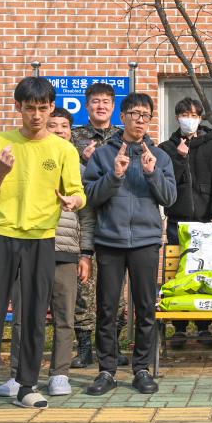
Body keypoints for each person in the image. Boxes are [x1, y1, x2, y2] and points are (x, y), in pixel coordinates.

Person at [0, 77, 85, 413]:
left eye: (42, 108)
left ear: (51, 107)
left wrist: (72, 201)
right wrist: (1, 173)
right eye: (29, 108)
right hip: (3, 236)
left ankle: (27, 386)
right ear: (18, 107)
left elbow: (78, 191)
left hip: (42, 239)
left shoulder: (64, 149)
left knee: (35, 314)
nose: (36, 115)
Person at [0, 108, 96, 398]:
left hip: (64, 251)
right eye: (53, 125)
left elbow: (87, 216)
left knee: (64, 316)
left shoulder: (75, 165)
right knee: (23, 316)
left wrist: (85, 253)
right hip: (28, 247)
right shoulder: (31, 159)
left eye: (65, 126)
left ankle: (59, 373)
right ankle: (18, 374)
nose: (59, 130)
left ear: (71, 131)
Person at [83, 93, 176, 396]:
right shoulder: (102, 154)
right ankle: (107, 370)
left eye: (146, 115)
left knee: (146, 307)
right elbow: (91, 197)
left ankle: (142, 369)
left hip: (146, 241)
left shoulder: (159, 156)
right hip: (110, 240)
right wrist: (115, 175)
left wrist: (151, 174)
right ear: (122, 116)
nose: (140, 119)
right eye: (134, 113)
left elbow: (169, 198)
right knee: (107, 308)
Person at [158, 97, 212, 349]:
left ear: (200, 118)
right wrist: (178, 157)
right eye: (184, 114)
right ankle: (178, 327)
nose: (189, 118)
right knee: (178, 273)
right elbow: (164, 183)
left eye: (193, 114)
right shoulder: (166, 147)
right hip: (178, 221)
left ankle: (203, 326)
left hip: (206, 222)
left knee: (203, 272)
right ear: (177, 117)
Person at [69, 82, 128, 369]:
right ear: (87, 104)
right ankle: (84, 348)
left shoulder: (123, 136)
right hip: (86, 218)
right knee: (85, 286)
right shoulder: (74, 137)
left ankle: (113, 345)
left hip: (117, 218)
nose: (101, 106)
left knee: (115, 288)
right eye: (95, 101)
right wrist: (84, 159)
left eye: (106, 101)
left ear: (113, 105)